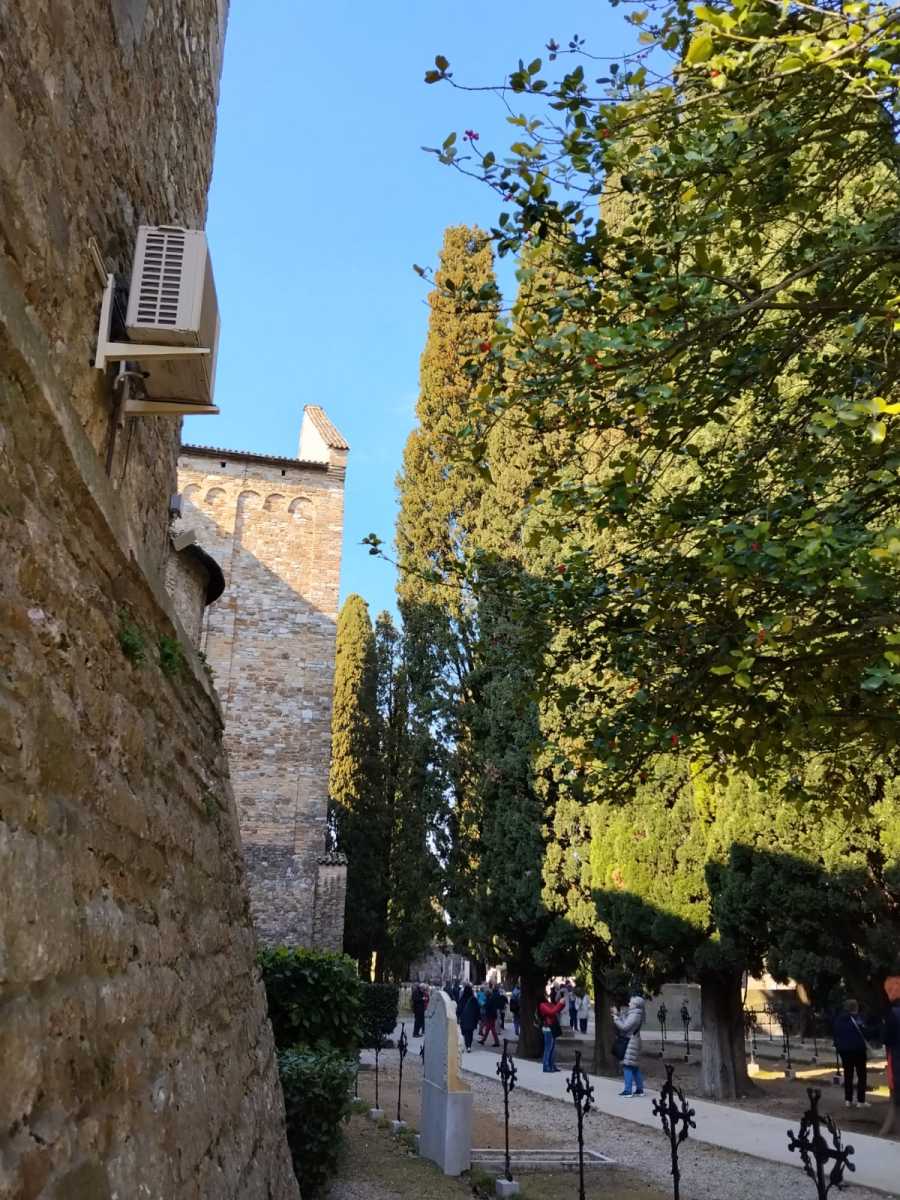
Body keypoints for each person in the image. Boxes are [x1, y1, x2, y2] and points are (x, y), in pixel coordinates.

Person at [832, 999, 870, 1108]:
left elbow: (835, 1034)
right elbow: (865, 1032)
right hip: (858, 1050)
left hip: (844, 1051)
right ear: (855, 1007)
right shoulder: (857, 1019)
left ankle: (848, 1100)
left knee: (848, 1075)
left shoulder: (839, 1020)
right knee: (861, 1075)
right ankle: (860, 1101)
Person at [613, 995, 646, 1096]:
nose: (629, 1003)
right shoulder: (636, 1013)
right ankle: (640, 1089)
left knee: (627, 1066)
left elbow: (624, 1027)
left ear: (635, 1004)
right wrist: (619, 1015)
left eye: (631, 1002)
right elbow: (627, 1024)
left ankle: (628, 1091)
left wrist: (616, 1019)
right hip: (634, 1040)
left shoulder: (634, 1015)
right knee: (634, 1066)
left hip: (630, 1041)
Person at [880, 977, 900, 1136]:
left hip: (896, 1056)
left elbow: (886, 1038)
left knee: (896, 1096)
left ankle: (887, 1132)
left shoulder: (892, 1014)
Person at [538, 987, 566, 1073]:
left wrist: (562, 1004)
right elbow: (551, 1012)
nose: (547, 995)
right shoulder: (542, 1005)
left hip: (552, 1027)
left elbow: (556, 1009)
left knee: (552, 1048)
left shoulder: (547, 1003)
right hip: (548, 1028)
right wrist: (560, 1004)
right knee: (548, 1048)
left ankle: (552, 1065)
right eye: (545, 994)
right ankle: (546, 1066)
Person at [457, 985, 481, 1052]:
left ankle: (466, 1044)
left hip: (464, 1018)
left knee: (465, 1032)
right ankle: (469, 1046)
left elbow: (459, 1009)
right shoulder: (473, 999)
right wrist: (478, 1018)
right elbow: (477, 1009)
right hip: (472, 1018)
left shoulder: (462, 998)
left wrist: (458, 1016)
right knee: (470, 1032)